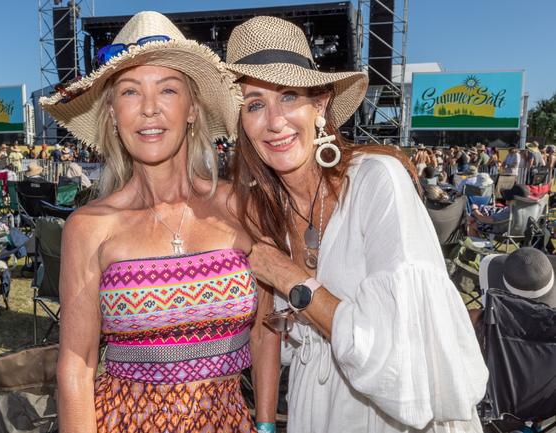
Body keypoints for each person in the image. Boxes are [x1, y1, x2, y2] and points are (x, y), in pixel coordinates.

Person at [226, 16, 487, 433]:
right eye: (255, 103)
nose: (274, 121)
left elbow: (402, 365)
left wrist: (291, 278)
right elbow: (267, 335)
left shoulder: (376, 181)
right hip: (315, 409)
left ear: (320, 105)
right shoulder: (262, 212)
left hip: (393, 419)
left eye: (289, 96)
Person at [40, 11, 274, 433]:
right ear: (112, 113)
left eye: (168, 89)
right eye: (130, 92)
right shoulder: (90, 226)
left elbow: (265, 330)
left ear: (191, 110)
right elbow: (76, 366)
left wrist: (267, 423)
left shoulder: (241, 206)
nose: (149, 109)